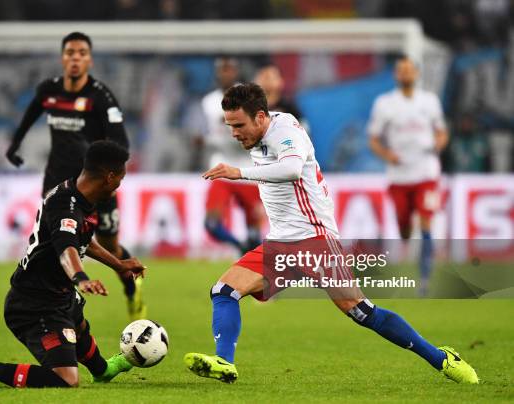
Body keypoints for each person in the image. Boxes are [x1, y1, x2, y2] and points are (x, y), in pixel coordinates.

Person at [183, 83, 477, 385]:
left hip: (315, 240)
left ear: (260, 117)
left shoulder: (286, 133)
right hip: (281, 243)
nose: (233, 132)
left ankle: (441, 358)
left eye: (238, 125)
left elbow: (292, 170)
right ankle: (224, 363)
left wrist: (239, 172)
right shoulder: (262, 132)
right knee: (224, 291)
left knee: (361, 311)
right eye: (229, 126)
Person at [0, 141, 145, 388]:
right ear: (109, 177)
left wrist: (118, 264)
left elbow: (83, 240)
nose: (120, 185)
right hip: (34, 305)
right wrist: (81, 277)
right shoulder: (65, 206)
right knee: (66, 380)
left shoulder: (83, 197)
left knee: (78, 325)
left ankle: (102, 370)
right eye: (120, 178)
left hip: (58, 292)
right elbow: (66, 248)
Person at [5, 32, 146, 320]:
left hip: (95, 185)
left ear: (89, 60)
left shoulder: (101, 97)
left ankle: (132, 290)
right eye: (70, 52)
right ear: (63, 57)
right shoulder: (49, 91)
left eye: (81, 53)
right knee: (54, 239)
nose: (75, 58)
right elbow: (30, 115)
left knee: (110, 245)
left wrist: (107, 169)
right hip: (57, 181)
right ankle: (56, 297)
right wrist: (15, 144)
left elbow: (121, 143)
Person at [367, 57, 449, 296]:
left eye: (409, 71)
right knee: (403, 226)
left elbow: (442, 132)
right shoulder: (384, 104)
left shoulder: (430, 101)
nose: (405, 74)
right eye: (401, 71)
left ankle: (424, 279)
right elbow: (373, 138)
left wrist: (439, 144)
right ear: (396, 75)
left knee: (426, 222)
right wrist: (387, 154)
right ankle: (406, 234)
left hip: (426, 173)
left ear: (416, 74)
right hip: (399, 175)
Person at [200, 57, 263, 254]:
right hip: (222, 169)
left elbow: (253, 132)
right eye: (222, 69)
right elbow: (211, 134)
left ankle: (252, 267)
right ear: (218, 72)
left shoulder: (248, 98)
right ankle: (239, 247)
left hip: (248, 171)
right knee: (211, 223)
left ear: (236, 71)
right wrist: (205, 140)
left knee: (254, 233)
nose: (226, 73)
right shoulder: (209, 102)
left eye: (229, 69)